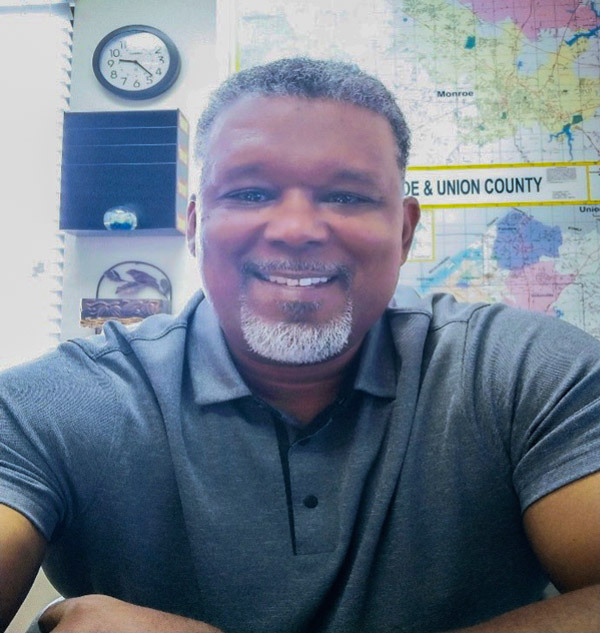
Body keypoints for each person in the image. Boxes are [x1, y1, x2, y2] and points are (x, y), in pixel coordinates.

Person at [1, 57, 599, 633]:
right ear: (194, 224)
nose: (296, 229)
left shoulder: (529, 373)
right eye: (251, 193)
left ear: (404, 229)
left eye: (347, 196)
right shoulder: (54, 405)